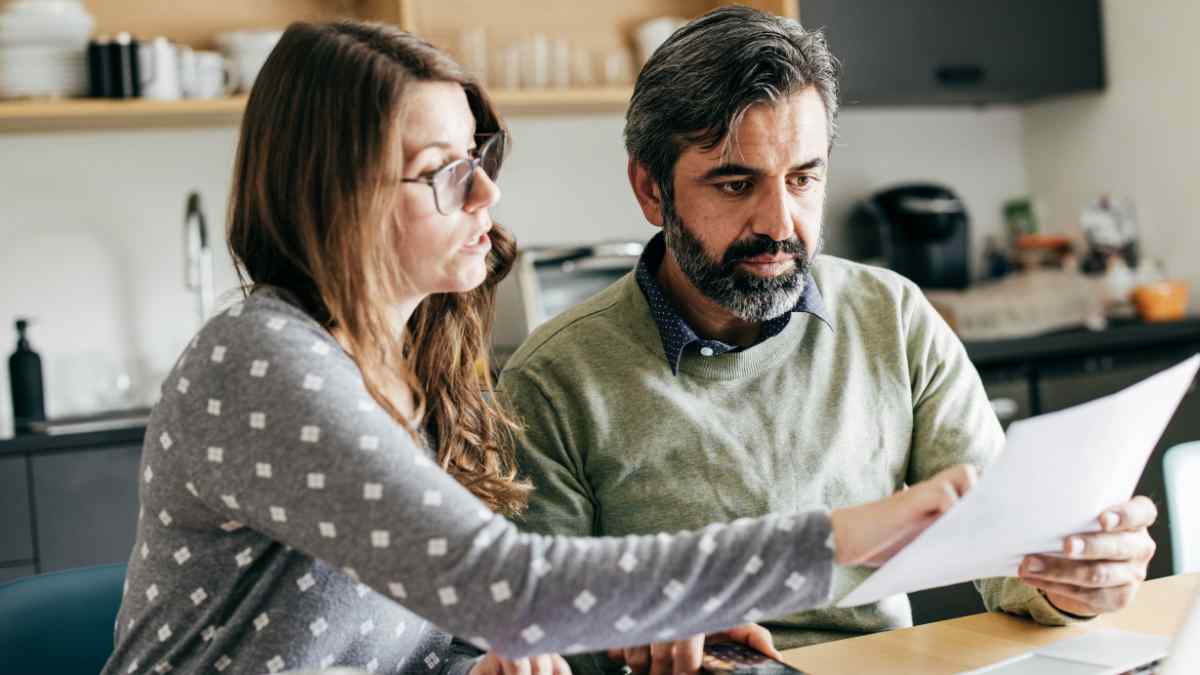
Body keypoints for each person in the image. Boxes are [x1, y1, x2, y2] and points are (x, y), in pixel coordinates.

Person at [99, 20, 980, 675]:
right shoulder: (262, 362)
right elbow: (506, 582)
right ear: (338, 193)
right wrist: (843, 535)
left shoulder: (407, 370)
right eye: (444, 169)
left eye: (481, 154)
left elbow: (419, 637)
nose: (485, 189)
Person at [500, 7, 1159, 675]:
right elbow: (537, 635)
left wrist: (1075, 579)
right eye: (736, 183)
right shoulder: (553, 379)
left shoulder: (892, 316)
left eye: (803, 178)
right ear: (651, 188)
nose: (780, 222)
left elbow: (1006, 553)